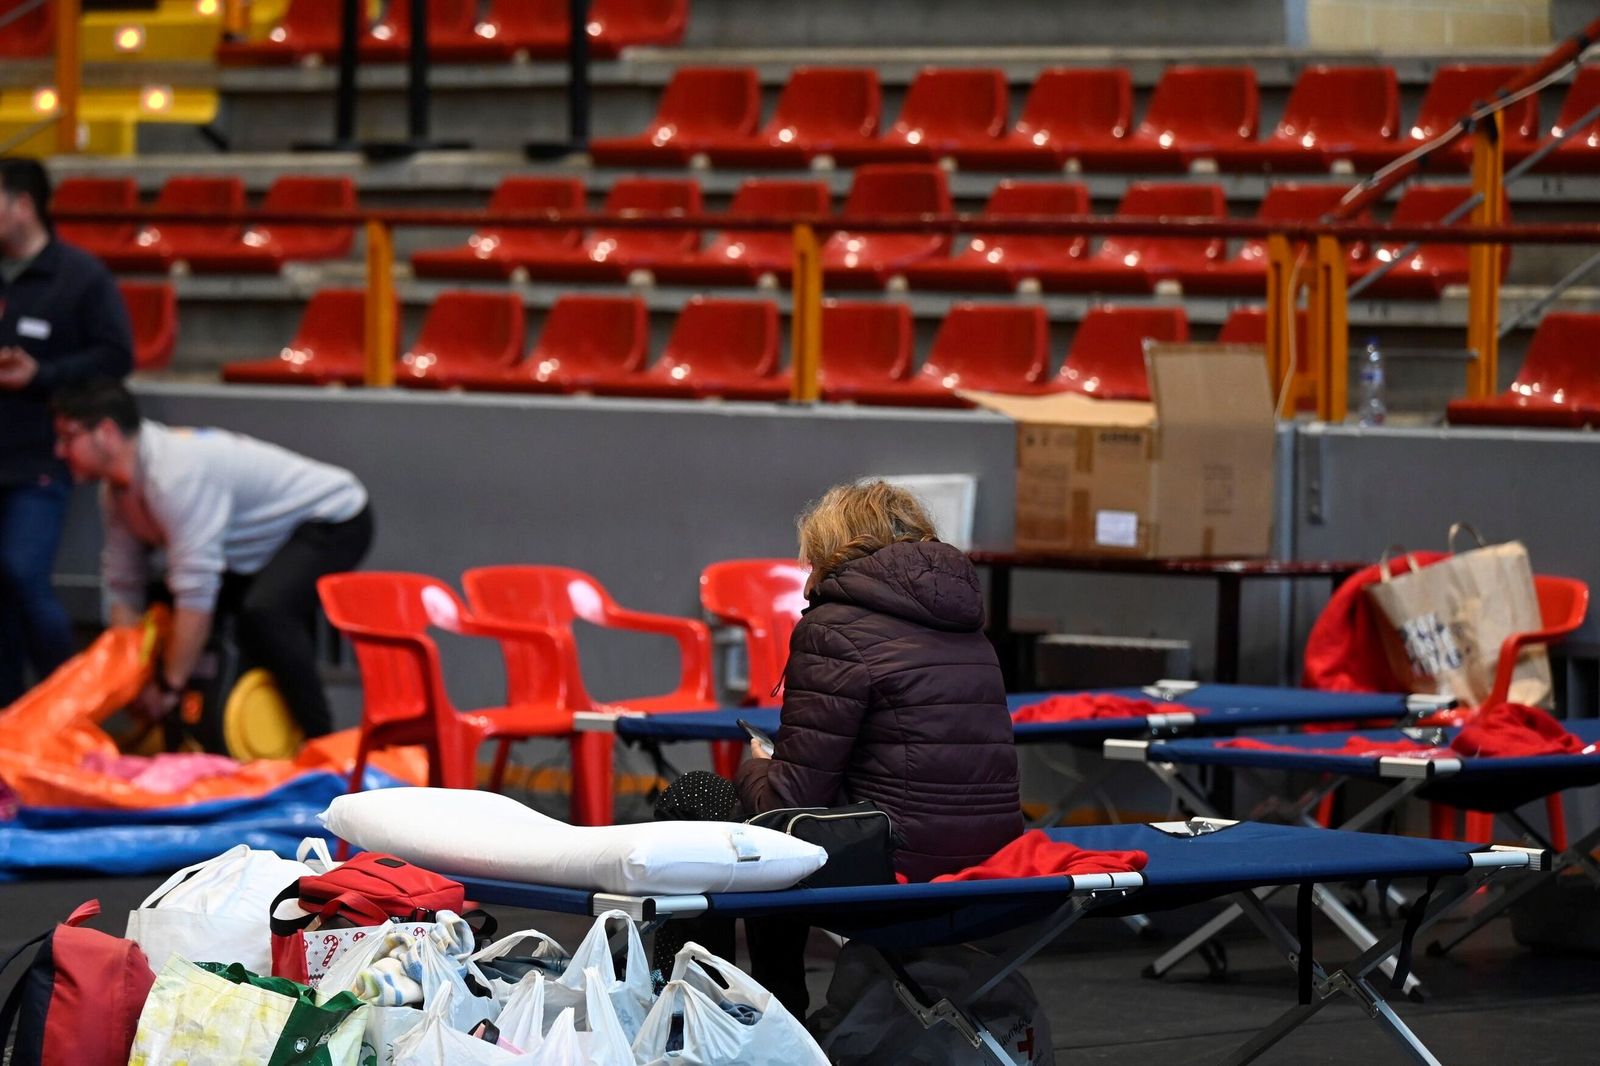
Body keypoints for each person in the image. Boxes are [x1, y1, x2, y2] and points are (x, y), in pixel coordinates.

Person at [669, 479, 1023, 1015]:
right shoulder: (969, 627)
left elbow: (786, 800)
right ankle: (770, 1006)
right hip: (992, 859)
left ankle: (708, 1010)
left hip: (896, 864)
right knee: (781, 831)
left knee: (705, 800)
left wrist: (755, 764)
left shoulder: (833, 627)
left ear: (827, 550)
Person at [52, 378, 373, 740]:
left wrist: (170, 689)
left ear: (106, 433)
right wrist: (132, 678)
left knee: (266, 612)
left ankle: (321, 743)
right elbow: (124, 588)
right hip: (259, 541)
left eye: (68, 437)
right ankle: (188, 738)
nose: (60, 451)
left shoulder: (175, 477)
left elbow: (197, 594)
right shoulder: (115, 493)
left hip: (334, 517)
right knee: (164, 614)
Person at [0, 159, 133, 704]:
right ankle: (9, 726)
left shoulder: (80, 278)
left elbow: (116, 357)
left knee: (21, 574)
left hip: (41, 459)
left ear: (23, 205)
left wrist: (43, 375)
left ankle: (74, 705)